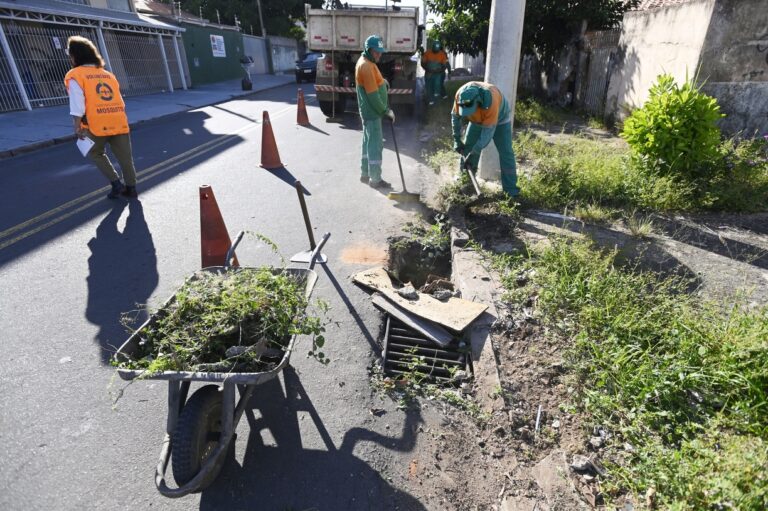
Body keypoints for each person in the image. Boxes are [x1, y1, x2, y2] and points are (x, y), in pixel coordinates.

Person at [64, 35, 138, 199]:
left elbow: (78, 103)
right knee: (125, 157)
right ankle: (131, 188)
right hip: (118, 121)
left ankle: (116, 183)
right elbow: (119, 98)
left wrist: (77, 125)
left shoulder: (76, 75)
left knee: (96, 153)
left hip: (95, 124)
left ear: (75, 55)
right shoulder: (108, 75)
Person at [451, 81, 519, 197]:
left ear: (478, 101)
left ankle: (511, 192)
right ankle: (466, 185)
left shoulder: (491, 100)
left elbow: (488, 133)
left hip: (500, 120)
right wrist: (456, 139)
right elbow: (455, 117)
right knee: (468, 149)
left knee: (506, 153)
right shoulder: (460, 95)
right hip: (476, 121)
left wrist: (475, 150)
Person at [355, 34, 395, 189]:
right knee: (375, 145)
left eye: (380, 51)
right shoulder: (365, 65)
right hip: (372, 112)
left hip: (368, 112)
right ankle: (376, 179)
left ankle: (365, 174)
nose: (379, 54)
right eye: (376, 51)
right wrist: (386, 111)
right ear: (368, 49)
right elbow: (372, 96)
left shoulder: (368, 62)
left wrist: (382, 81)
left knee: (367, 142)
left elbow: (373, 80)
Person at [421, 40, 450, 104]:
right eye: (435, 50)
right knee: (428, 86)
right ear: (432, 47)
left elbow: (445, 65)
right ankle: (431, 100)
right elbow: (422, 63)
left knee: (437, 86)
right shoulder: (427, 53)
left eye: (437, 50)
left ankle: (436, 100)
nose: (436, 52)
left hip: (438, 74)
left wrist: (440, 70)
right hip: (429, 73)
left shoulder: (442, 54)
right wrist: (427, 69)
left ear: (439, 48)